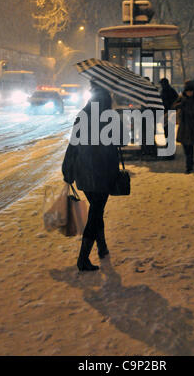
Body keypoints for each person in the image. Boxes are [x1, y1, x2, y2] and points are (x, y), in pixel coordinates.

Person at [62, 85, 120, 272]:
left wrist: (68, 170)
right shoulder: (109, 117)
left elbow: (73, 143)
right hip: (102, 174)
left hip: (84, 173)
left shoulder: (83, 114)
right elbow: (116, 144)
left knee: (97, 210)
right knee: (96, 213)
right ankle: (83, 258)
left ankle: (102, 248)